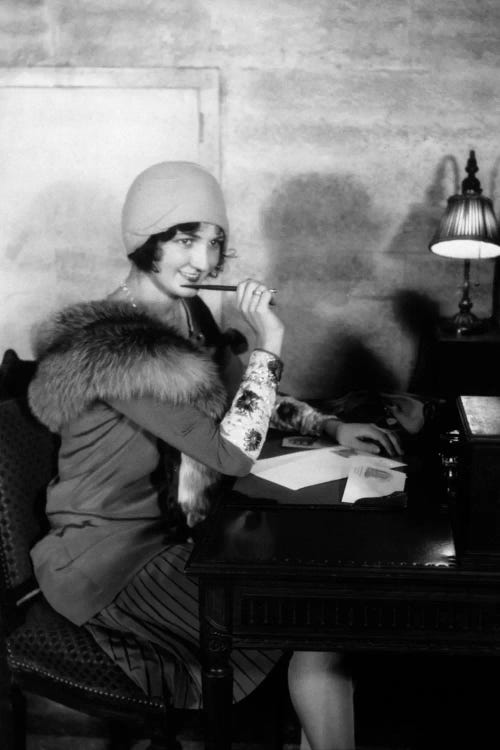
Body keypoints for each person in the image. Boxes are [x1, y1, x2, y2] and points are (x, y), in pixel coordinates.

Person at [28, 161, 402, 750]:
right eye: (184, 239)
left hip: (180, 532)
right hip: (111, 558)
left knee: (323, 617)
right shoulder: (120, 344)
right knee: (314, 622)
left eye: (214, 241)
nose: (203, 260)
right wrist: (270, 344)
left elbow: (239, 402)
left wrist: (328, 424)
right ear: (143, 239)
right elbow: (232, 454)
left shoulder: (190, 311)